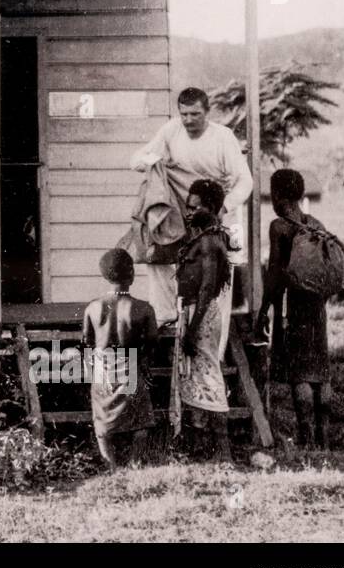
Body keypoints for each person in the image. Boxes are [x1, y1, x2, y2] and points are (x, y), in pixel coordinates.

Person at [130, 87, 254, 325]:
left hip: (213, 212)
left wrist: (223, 207)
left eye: (195, 114)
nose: (188, 120)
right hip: (179, 208)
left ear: (207, 112)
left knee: (215, 274)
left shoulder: (223, 137)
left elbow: (245, 181)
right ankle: (166, 317)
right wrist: (154, 161)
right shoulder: (171, 131)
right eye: (184, 114)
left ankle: (213, 337)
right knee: (159, 256)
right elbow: (136, 159)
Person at [258, 168, 332, 449]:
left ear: (278, 195)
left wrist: (265, 309)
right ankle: (324, 440)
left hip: (292, 306)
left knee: (299, 373)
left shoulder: (280, 226)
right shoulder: (317, 223)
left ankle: (306, 437)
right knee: (320, 372)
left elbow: (275, 272)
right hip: (317, 306)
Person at [175, 178, 238, 463]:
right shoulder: (204, 238)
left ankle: (223, 450)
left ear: (211, 207)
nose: (188, 212)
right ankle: (201, 447)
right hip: (192, 311)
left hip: (203, 314)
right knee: (194, 376)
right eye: (187, 207)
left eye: (194, 207)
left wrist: (192, 328)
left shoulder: (211, 241)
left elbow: (207, 286)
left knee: (208, 374)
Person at [83, 248, 159, 471]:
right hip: (130, 361)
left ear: (104, 276)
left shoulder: (93, 307)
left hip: (102, 365)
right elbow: (153, 341)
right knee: (141, 418)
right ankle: (136, 460)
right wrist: (145, 361)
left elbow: (87, 340)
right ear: (132, 275)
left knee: (102, 418)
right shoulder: (143, 308)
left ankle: (111, 464)